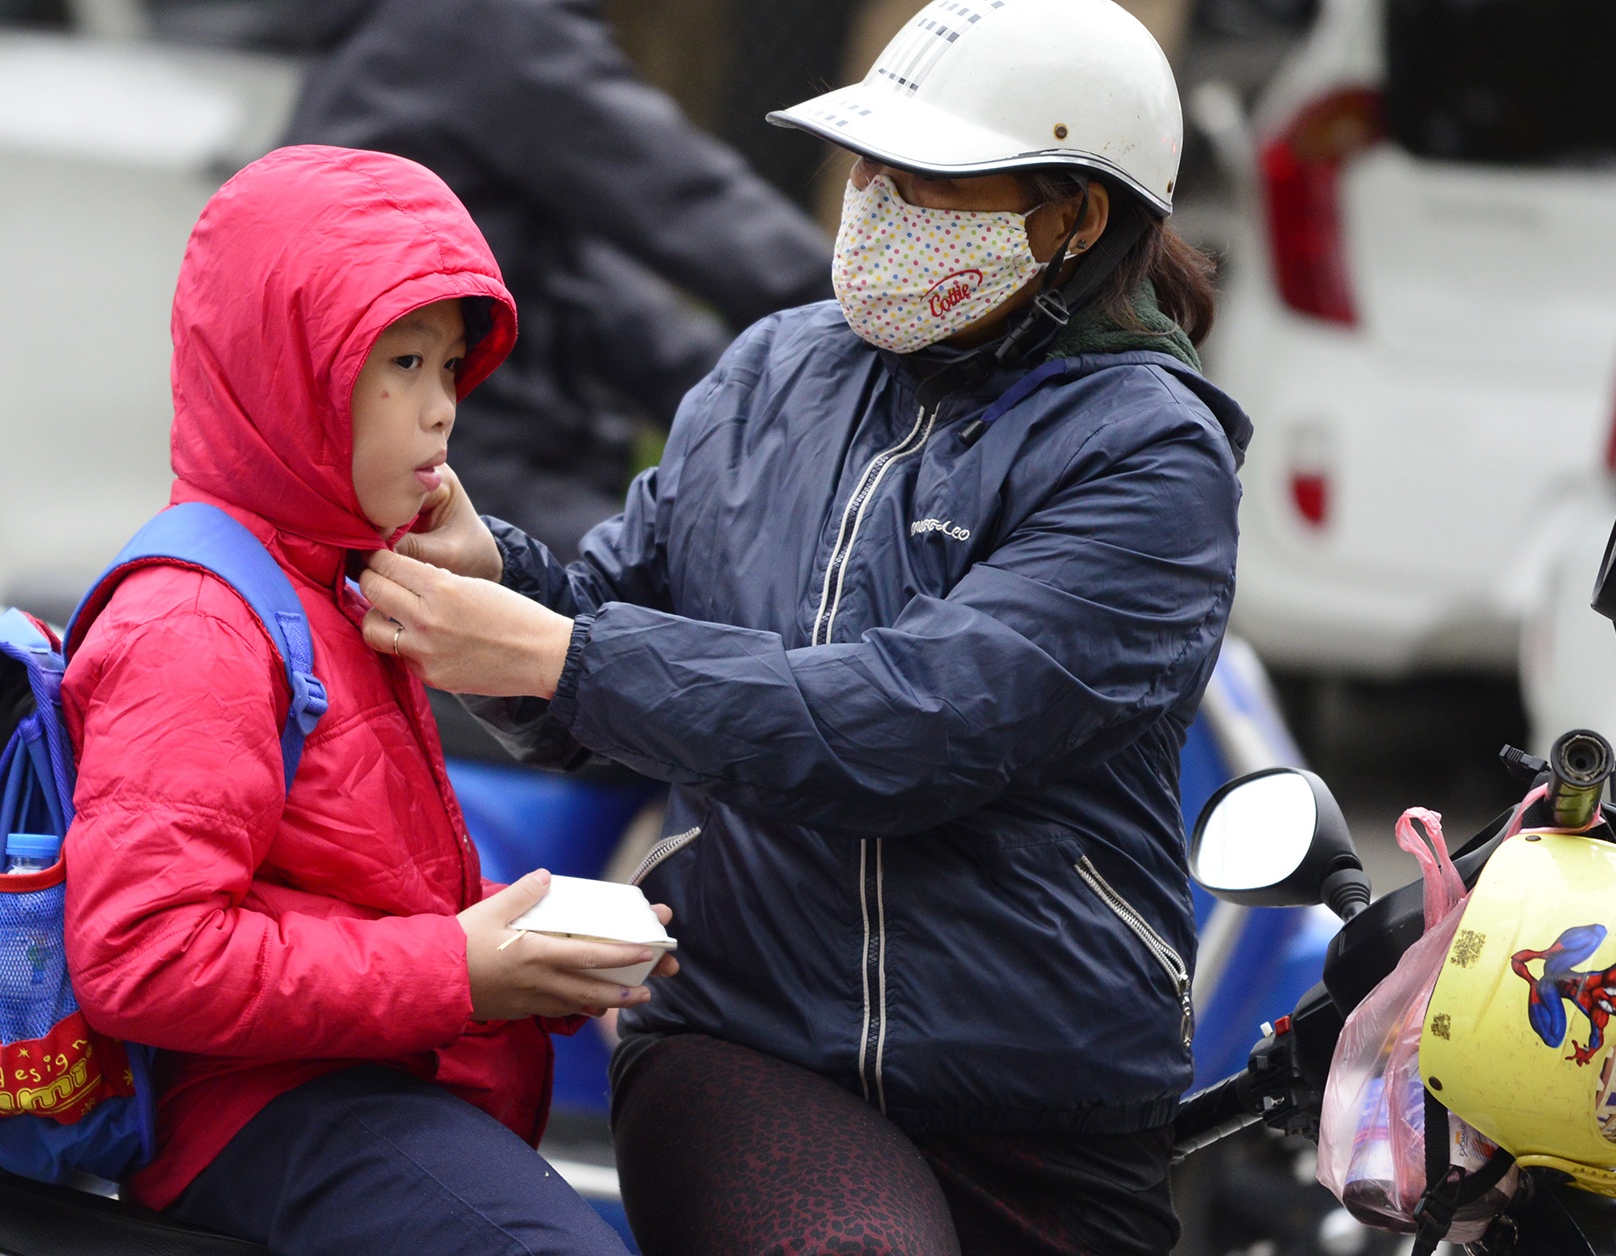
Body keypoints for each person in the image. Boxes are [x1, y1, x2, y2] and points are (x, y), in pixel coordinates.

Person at [350, 0, 1252, 1251]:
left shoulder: (1152, 457)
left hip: (1052, 1095)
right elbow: (605, 654)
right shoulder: (771, 370)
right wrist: (504, 573)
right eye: (870, 162)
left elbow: (914, 720)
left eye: (925, 179)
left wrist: (566, 652)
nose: (872, 197)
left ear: (1075, 220)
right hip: (752, 1041)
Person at [57, 146, 672, 1256]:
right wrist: (459, 965)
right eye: (400, 362)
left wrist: (533, 957)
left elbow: (349, 877)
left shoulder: (337, 575)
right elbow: (143, 952)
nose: (441, 413)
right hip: (253, 1108)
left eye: (449, 368)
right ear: (288, 367)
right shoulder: (202, 619)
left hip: (359, 1078)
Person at [282, 0, 835, 560]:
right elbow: (683, 198)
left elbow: (582, 284)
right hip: (459, 458)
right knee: (701, 595)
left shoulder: (391, 37)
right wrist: (857, 310)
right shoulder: (485, 23)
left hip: (409, 446)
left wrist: (734, 396)